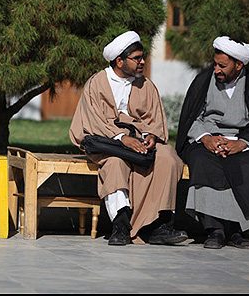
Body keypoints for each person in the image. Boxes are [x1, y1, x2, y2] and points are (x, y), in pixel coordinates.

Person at [70, 31, 187, 246]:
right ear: (119, 61)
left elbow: (155, 120)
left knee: (168, 157)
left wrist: (151, 136)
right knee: (115, 163)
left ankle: (161, 225)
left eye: (143, 57)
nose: (142, 62)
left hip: (141, 141)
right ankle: (121, 226)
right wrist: (121, 138)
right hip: (108, 143)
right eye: (137, 58)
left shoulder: (146, 85)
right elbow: (92, 122)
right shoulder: (96, 84)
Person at [176, 36, 249, 249]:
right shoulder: (203, 81)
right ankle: (215, 229)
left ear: (239, 65)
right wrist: (206, 138)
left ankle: (239, 230)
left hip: (243, 142)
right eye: (215, 64)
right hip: (207, 140)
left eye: (223, 66)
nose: (217, 70)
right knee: (202, 162)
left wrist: (243, 143)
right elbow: (190, 118)